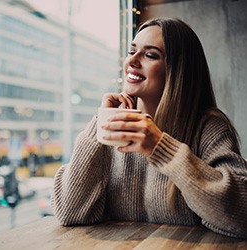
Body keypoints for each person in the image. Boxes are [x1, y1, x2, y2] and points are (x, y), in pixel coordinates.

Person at [51, 17, 247, 239]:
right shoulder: (113, 125)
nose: (132, 61)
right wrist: (99, 124)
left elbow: (241, 216)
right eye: (131, 51)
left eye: (150, 55)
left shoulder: (208, 127)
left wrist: (161, 147)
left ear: (177, 71)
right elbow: (69, 213)